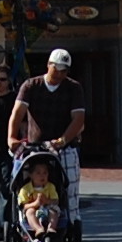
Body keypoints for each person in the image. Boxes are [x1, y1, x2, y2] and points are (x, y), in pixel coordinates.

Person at [10, 47, 87, 188]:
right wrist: (11, 137)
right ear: (48, 64)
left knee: (69, 191)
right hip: (35, 148)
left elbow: (78, 118)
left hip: (65, 148)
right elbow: (18, 113)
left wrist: (62, 140)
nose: (59, 74)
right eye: (56, 69)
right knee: (28, 189)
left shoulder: (74, 88)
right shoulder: (31, 85)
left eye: (64, 71)